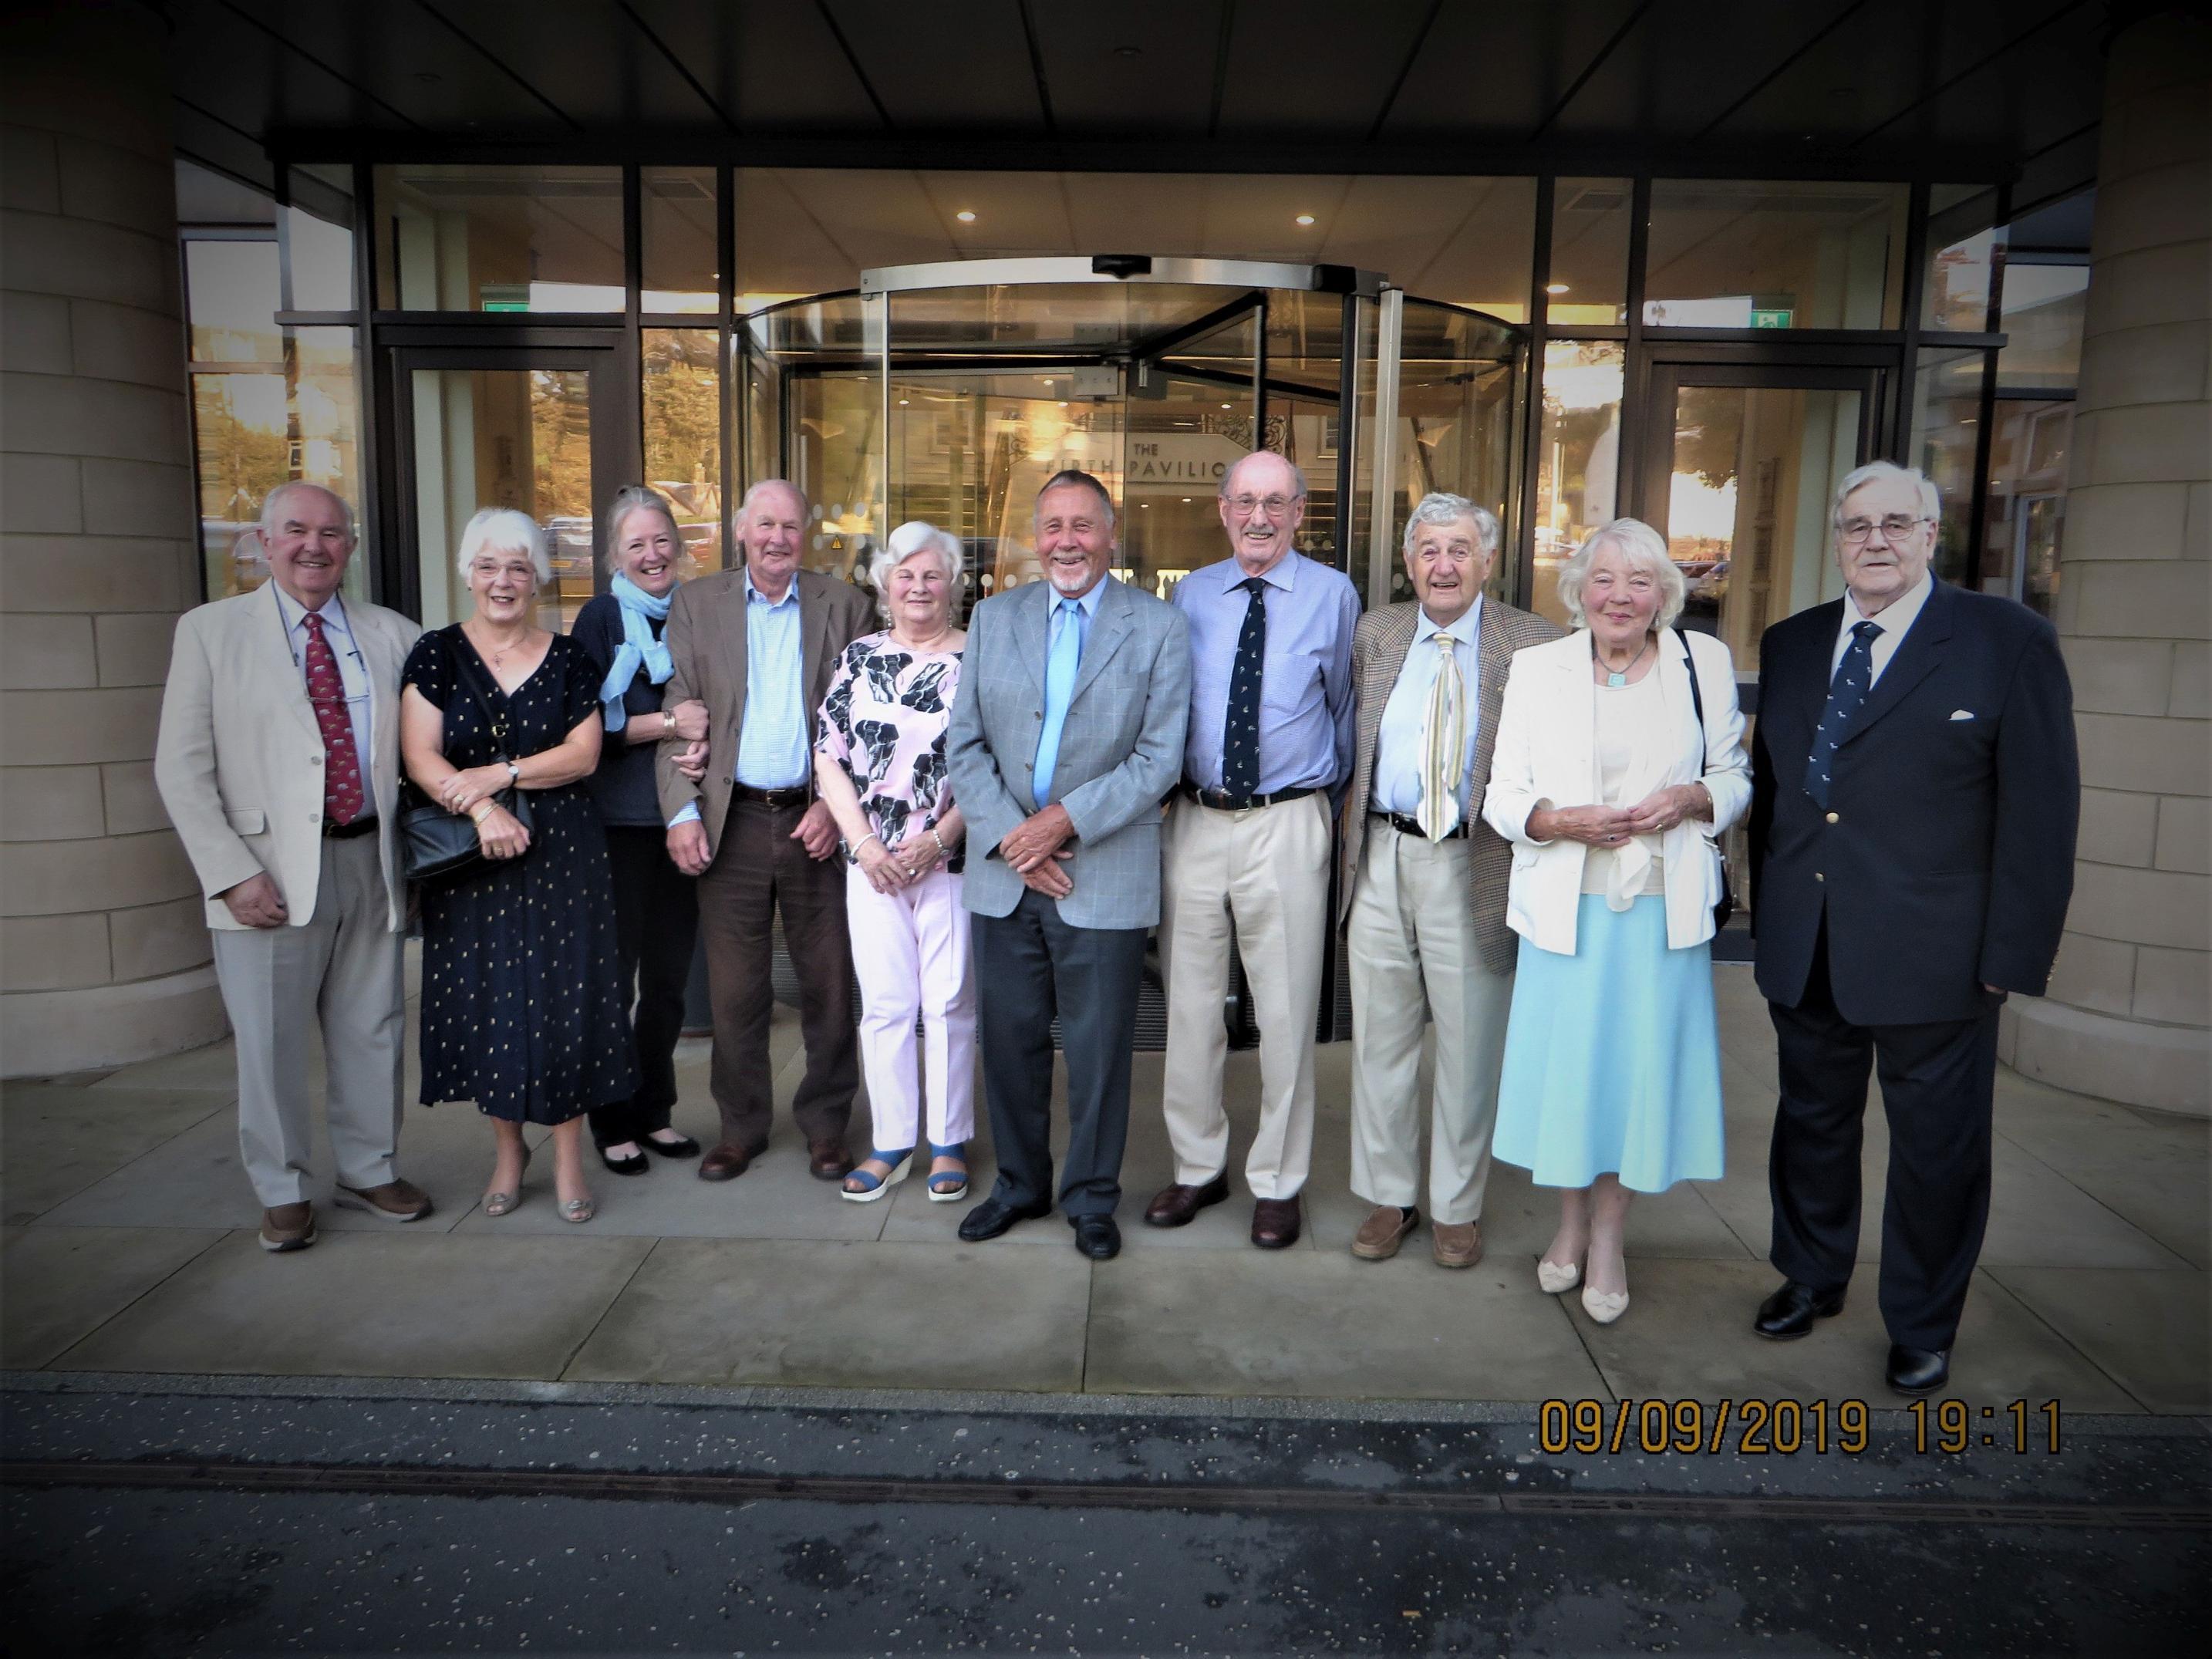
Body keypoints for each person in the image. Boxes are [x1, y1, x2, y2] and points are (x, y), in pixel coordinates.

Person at [1748, 460, 2078, 1396]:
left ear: (1933, 535)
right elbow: (1779, 796)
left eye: (1898, 523)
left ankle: (1924, 1320)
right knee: (1811, 1125)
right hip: (1807, 941)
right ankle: (1810, 1275)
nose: (1877, 541)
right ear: (1836, 537)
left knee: (1937, 1149)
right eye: (1857, 525)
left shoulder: (2006, 642)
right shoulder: (1794, 641)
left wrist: (2012, 954)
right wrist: (1768, 913)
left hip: (1940, 954)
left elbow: (2041, 816)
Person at [1483, 518, 1749, 1325]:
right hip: (1568, 909)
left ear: (1665, 593)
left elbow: (1734, 774)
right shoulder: (1537, 669)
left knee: (1635, 1081)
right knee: (1573, 1081)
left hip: (1659, 916)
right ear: (1579, 592)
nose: (1620, 596)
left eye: (1639, 581)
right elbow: (1501, 795)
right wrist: (1556, 821)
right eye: (1603, 579)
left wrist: (1695, 798)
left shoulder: (1704, 664)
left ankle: (1608, 1239)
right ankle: (1565, 1227)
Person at [155, 481, 428, 1252]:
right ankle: (282, 1187)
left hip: (369, 859)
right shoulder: (211, 632)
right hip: (264, 875)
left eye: (332, 533)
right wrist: (230, 872)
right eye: (297, 531)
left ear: (350, 546)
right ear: (263, 542)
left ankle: (370, 1167)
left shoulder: (392, 634)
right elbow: (181, 769)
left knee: (372, 1028)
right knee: (269, 1043)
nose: (315, 546)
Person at [946, 470, 1191, 1259]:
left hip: (1103, 871)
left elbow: (1159, 758)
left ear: (1110, 534)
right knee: (1009, 1042)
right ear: (1035, 535)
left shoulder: (1157, 627)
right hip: (1003, 875)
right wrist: (1015, 840)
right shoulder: (992, 618)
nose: (1067, 541)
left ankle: (1091, 1197)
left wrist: (1060, 824)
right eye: (1053, 525)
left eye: (1083, 525)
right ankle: (1018, 1184)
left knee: (1098, 1050)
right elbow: (965, 743)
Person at [400, 507, 639, 1224]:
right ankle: (510, 1152)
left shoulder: (570, 658)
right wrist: (481, 810)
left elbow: (583, 755)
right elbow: (421, 755)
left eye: (518, 568)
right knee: (488, 1006)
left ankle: (568, 1156)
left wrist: (498, 776)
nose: (503, 581)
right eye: (489, 566)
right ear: (468, 574)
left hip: (562, 854)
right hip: (472, 860)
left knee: (567, 1002)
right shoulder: (435, 653)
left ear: (537, 578)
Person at [1340, 494, 1561, 1268]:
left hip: (1475, 863)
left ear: (1488, 561)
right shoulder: (1376, 632)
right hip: (1379, 856)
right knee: (1382, 1041)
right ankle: (1389, 1196)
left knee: (1470, 1045)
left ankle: (1457, 1206)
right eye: (1430, 550)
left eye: (1460, 549)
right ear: (1409, 561)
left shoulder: (1531, 641)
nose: (1444, 565)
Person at [1145, 450, 1358, 1251]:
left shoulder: (1334, 596)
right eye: (1245, 501)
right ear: (1222, 508)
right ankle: (1199, 1167)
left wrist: (1325, 818)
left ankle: (1278, 1179)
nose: (1258, 517)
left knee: (1286, 1007)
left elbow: (1343, 709)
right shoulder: (1190, 593)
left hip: (1288, 820)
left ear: (1301, 511)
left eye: (1275, 502)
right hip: (1195, 820)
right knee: (1191, 1006)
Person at [659, 479, 876, 1183]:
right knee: (735, 992)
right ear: (741, 530)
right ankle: (741, 1127)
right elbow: (678, 715)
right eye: (765, 524)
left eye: (789, 525)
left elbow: (868, 726)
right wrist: (681, 811)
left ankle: (826, 1127)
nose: (777, 537)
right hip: (734, 820)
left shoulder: (844, 605)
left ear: (804, 533)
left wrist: (834, 809)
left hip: (818, 822)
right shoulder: (697, 605)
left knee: (830, 986)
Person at [814, 521, 974, 1203]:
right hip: (873, 861)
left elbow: (993, 764)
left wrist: (939, 837)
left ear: (952, 584)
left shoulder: (980, 657)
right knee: (884, 1005)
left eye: (931, 574)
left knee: (949, 1004)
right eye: (904, 574)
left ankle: (948, 1141)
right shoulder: (859, 657)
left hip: (951, 855)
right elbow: (829, 753)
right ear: (884, 585)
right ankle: (890, 1142)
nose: (918, 586)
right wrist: (864, 845)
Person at [568, 485, 706, 1176]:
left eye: (661, 541)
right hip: (616, 826)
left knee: (670, 983)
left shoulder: (696, 610)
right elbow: (587, 725)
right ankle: (612, 1118)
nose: (652, 555)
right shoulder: (600, 619)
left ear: (678, 546)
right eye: (636, 545)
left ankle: (655, 1109)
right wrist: (672, 724)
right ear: (614, 556)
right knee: (612, 980)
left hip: (681, 820)